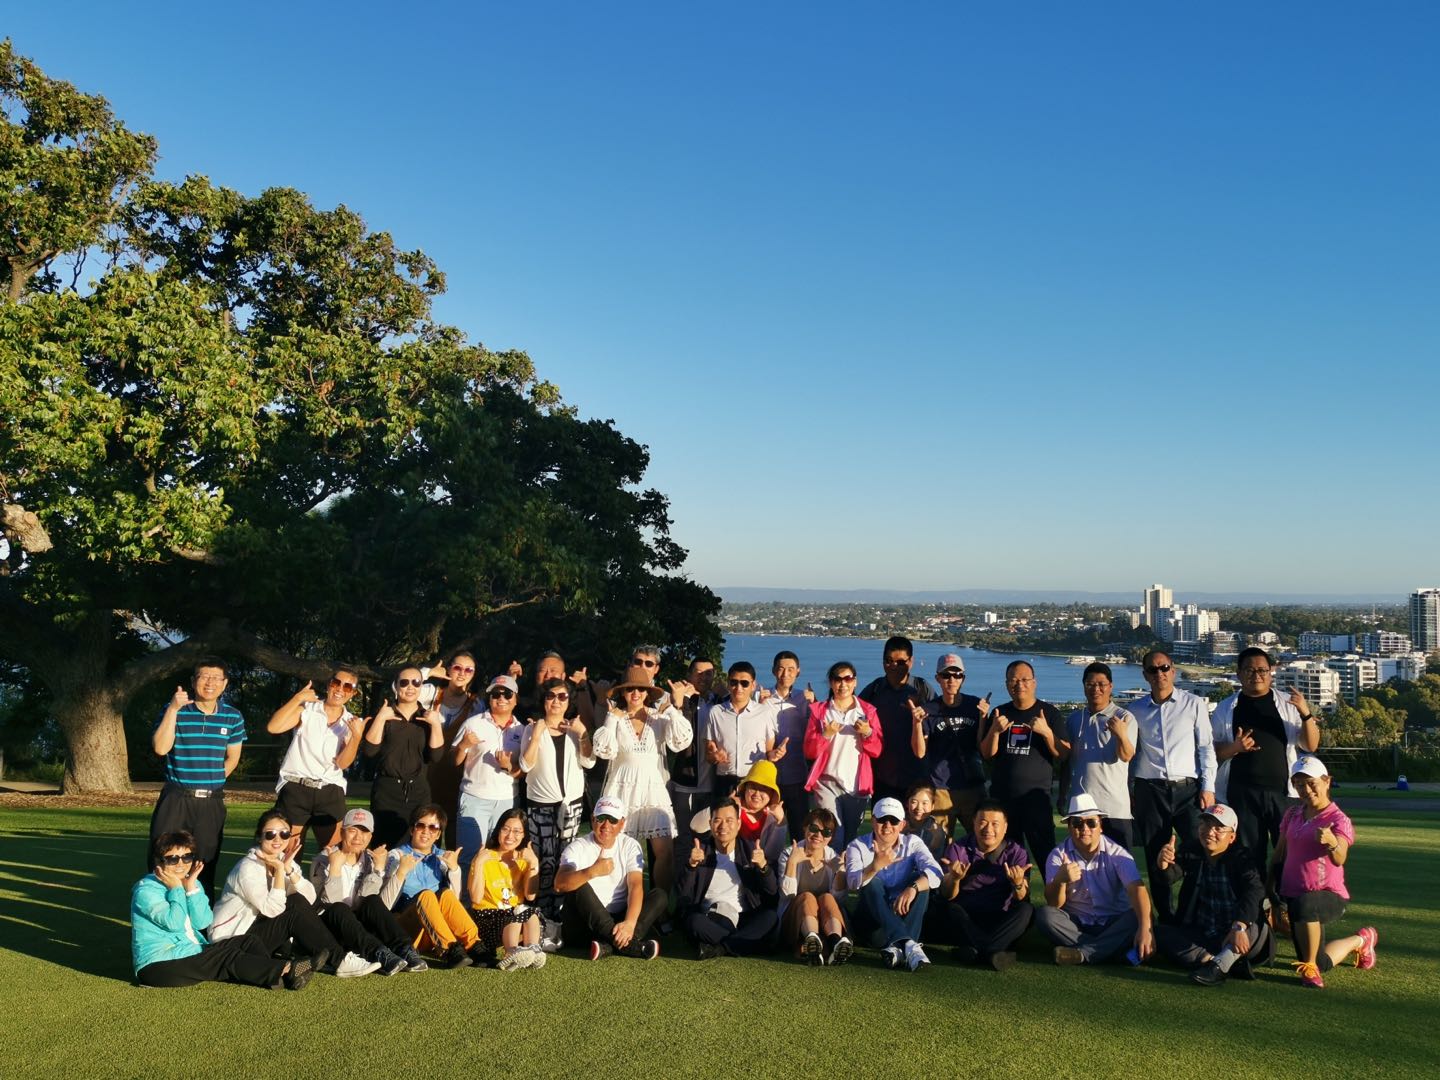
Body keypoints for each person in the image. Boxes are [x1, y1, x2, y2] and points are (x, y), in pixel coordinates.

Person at [132, 830, 312, 990]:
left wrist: (191, 889)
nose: (181, 864)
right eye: (173, 859)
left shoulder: (190, 882)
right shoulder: (146, 891)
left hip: (190, 951)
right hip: (158, 966)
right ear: (159, 861)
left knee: (248, 941)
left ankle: (276, 977)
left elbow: (202, 922)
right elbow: (174, 923)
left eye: (186, 857)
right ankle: (286, 970)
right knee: (226, 956)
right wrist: (177, 890)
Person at [209, 810, 380, 977]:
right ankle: (339, 960)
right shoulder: (247, 868)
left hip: (257, 934)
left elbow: (309, 898)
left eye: (284, 834)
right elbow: (272, 909)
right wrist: (279, 871)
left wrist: (289, 870)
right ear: (259, 837)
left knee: (297, 900)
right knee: (293, 912)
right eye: (270, 834)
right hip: (231, 942)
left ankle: (328, 957)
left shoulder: (283, 860)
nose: (277, 839)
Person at [1269, 756, 1377, 989]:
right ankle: (1361, 939)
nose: (1306, 790)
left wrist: (1331, 842)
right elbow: (1279, 853)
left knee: (1305, 906)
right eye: (1299, 785)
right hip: (1294, 896)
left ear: (1327, 781)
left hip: (1328, 896)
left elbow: (1340, 858)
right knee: (1322, 961)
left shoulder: (1338, 819)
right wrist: (1269, 886)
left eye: (1311, 783)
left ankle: (1309, 968)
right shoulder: (1292, 814)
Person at [1212, 648, 1321, 873]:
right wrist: (1235, 748)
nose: (1257, 675)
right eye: (1249, 670)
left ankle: (1285, 896)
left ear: (1271, 672)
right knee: (1249, 859)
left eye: (1262, 670)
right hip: (1242, 794)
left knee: (1290, 856)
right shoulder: (1225, 708)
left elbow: (1310, 745)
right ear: (1238, 673)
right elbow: (1213, 752)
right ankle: (1257, 897)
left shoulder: (1288, 704)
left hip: (1284, 794)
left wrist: (1306, 713)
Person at [1128, 649, 1217, 922]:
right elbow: (1131, 754)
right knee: (1156, 857)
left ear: (1173, 671)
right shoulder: (1135, 710)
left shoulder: (1193, 704)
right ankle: (1166, 919)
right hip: (1150, 790)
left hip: (1188, 790)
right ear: (1145, 675)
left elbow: (1206, 748)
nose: (1160, 673)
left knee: (1198, 851)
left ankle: (1190, 914)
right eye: (1153, 670)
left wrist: (1208, 786)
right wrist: (1130, 791)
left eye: (1164, 667)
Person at [147, 657, 246, 901]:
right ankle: (159, 912)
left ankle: (200, 919)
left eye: (216, 678)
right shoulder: (175, 710)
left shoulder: (232, 716)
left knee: (204, 864)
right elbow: (160, 747)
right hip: (176, 798)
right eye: (204, 677)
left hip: (211, 803)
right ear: (193, 681)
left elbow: (233, 757)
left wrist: (211, 780)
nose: (210, 683)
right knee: (163, 858)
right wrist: (173, 709)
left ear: (225, 684)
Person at [594, 664, 695, 892]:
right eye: (630, 689)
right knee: (616, 851)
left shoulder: (659, 718)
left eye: (641, 689)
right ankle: (620, 901)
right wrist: (610, 719)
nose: (636, 693)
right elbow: (603, 751)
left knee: (665, 853)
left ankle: (660, 904)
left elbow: (681, 741)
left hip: (652, 791)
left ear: (648, 692)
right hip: (621, 791)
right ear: (623, 692)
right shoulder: (616, 719)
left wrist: (672, 710)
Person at [1153, 803, 1271, 987]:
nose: (1209, 832)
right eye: (1205, 825)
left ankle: (1218, 968)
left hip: (1235, 931)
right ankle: (1211, 960)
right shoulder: (1192, 850)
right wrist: (1163, 865)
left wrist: (1239, 926)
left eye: (1218, 828)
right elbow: (1169, 877)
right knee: (1157, 933)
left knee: (1252, 926)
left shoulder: (1242, 858)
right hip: (1203, 933)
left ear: (1232, 837)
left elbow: (1254, 891)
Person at [1038, 794, 1155, 966]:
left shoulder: (1117, 853)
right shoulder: (1057, 856)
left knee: (1139, 917)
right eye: (1077, 823)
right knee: (1045, 916)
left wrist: (1145, 929)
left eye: (1091, 823)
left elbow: (1137, 890)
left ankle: (1082, 953)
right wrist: (1060, 881)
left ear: (1100, 826)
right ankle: (1109, 951)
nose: (1084, 828)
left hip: (1113, 921)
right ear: (1069, 827)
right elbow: (1054, 904)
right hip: (1076, 923)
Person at [310, 807, 429, 973]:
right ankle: (379, 953)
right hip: (334, 927)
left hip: (360, 928)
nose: (358, 837)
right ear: (342, 833)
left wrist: (378, 871)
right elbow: (330, 905)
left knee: (372, 900)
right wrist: (335, 870)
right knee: (340, 908)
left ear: (371, 836)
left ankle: (404, 949)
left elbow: (380, 906)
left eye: (364, 832)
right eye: (352, 830)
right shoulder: (323, 860)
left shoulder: (371, 860)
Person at [520, 676, 596, 933]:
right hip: (540, 804)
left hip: (571, 805)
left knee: (566, 859)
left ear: (568, 701)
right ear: (543, 700)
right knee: (544, 860)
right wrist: (536, 735)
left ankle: (563, 913)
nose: (556, 701)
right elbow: (525, 765)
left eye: (562, 696)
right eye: (551, 696)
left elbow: (589, 762)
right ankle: (541, 916)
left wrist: (582, 733)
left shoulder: (573, 730)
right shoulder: (532, 729)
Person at [266, 669, 367, 857]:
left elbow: (342, 763)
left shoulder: (351, 722)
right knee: (288, 855)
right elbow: (273, 727)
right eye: (336, 683)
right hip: (295, 788)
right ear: (329, 684)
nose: (340, 689)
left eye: (347, 687)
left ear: (353, 693)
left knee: (333, 856)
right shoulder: (306, 709)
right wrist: (298, 698)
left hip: (330, 792)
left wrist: (356, 737)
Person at [555, 795, 666, 960]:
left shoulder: (630, 845)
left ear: (622, 823)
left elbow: (635, 886)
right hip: (584, 924)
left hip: (618, 918)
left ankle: (609, 944)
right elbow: (559, 884)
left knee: (659, 895)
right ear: (593, 819)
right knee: (578, 885)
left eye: (612, 820)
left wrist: (629, 923)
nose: (606, 825)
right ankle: (631, 946)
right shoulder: (577, 847)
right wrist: (591, 871)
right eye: (601, 818)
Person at [930, 799, 1033, 970]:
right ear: (974, 823)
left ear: (1005, 827)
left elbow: (1021, 897)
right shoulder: (958, 848)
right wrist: (954, 879)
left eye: (995, 824)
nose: (988, 829)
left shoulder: (1017, 852)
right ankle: (994, 951)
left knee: (1026, 910)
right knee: (949, 908)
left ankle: (975, 951)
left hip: (1000, 917)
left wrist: (1018, 884)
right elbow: (947, 895)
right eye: (983, 822)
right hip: (966, 916)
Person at [378, 804, 485, 968]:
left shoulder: (442, 857)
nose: (426, 831)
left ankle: (474, 945)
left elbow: (454, 903)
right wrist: (401, 872)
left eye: (433, 827)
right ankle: (449, 949)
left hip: (433, 931)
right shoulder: (397, 856)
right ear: (412, 830)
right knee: (426, 895)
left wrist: (454, 870)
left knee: (446, 894)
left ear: (438, 834)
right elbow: (384, 906)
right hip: (406, 928)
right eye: (420, 825)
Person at [842, 796, 942, 972]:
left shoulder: (913, 842)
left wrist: (913, 888)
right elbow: (852, 883)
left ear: (902, 824)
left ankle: (898, 949)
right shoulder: (857, 846)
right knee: (871, 883)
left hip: (902, 918)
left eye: (894, 821)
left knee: (920, 882)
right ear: (873, 821)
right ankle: (908, 943)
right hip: (873, 926)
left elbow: (936, 872)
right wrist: (874, 867)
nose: (887, 825)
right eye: (882, 819)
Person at [981, 660, 1066, 863]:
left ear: (1034, 683)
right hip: (1003, 801)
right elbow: (986, 753)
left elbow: (1063, 754)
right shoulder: (1000, 713)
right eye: (1013, 680)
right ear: (1006, 684)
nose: (1019, 684)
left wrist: (1046, 732)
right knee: (1008, 862)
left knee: (1047, 860)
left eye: (1025, 679)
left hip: (1037, 802)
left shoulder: (1049, 713)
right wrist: (994, 731)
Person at [677, 801, 779, 958]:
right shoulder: (699, 851)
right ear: (710, 824)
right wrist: (691, 866)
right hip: (709, 917)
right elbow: (682, 894)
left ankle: (720, 948)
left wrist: (763, 867)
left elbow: (772, 892)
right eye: (717, 820)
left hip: (743, 917)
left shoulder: (749, 849)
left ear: (739, 824)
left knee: (770, 917)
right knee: (694, 921)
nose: (723, 826)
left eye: (729, 820)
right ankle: (742, 943)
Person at [452, 674, 525, 882]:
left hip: (507, 800)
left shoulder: (522, 730)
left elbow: (526, 771)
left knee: (502, 856)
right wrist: (464, 745)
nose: (501, 698)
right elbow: (454, 761)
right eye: (495, 694)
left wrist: (508, 766)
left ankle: (496, 898)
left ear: (516, 699)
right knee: (469, 857)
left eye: (507, 694)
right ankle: (465, 900)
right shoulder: (473, 723)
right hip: (475, 798)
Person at [363, 665, 446, 848]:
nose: (410, 687)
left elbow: (436, 756)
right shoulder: (385, 715)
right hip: (386, 791)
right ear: (396, 686)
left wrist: (435, 725)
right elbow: (369, 751)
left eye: (416, 682)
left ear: (421, 686)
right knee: (382, 848)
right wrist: (381, 719)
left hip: (418, 792)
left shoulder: (428, 718)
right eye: (404, 682)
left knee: (420, 846)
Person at [803, 660, 883, 847]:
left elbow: (877, 750)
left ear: (855, 682)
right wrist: (825, 735)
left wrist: (867, 733)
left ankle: (847, 867)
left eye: (848, 679)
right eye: (837, 679)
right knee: (834, 836)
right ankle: (829, 866)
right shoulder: (820, 712)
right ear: (831, 683)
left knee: (851, 839)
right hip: (826, 782)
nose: (843, 684)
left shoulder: (867, 711)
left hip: (856, 786)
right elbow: (809, 751)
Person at [909, 653, 990, 837]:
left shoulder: (975, 706)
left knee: (981, 840)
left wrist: (984, 718)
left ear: (963, 678)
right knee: (939, 844)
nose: (952, 680)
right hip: (940, 789)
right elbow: (920, 752)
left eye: (957, 675)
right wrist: (916, 723)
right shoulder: (929, 710)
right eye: (946, 675)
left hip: (971, 787)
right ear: (938, 678)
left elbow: (982, 747)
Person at [1063, 662, 1137, 850]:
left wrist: (1120, 734)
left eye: (1101, 684)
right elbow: (1066, 759)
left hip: (1114, 809)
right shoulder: (1074, 719)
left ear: (1110, 686)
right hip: (1081, 809)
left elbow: (1126, 756)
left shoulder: (1124, 717)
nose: (1096, 689)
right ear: (1084, 686)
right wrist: (1063, 794)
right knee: (1081, 864)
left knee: (1120, 864)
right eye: (1090, 684)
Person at [859, 635, 935, 802]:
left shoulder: (922, 689)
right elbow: (850, 713)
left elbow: (938, 726)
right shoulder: (874, 690)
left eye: (900, 662)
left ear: (911, 661)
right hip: (882, 778)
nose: (894, 666)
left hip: (917, 778)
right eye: (889, 661)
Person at [468, 807, 544, 970]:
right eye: (506, 829)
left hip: (515, 915)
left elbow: (530, 896)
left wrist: (534, 863)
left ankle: (533, 949)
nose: (510, 836)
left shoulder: (524, 859)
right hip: (487, 919)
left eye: (517, 831)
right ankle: (511, 953)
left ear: (524, 835)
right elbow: (475, 898)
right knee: (515, 915)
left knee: (530, 913)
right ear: (498, 831)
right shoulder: (485, 857)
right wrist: (479, 863)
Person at [777, 808, 850, 965]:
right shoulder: (789, 854)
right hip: (794, 923)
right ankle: (812, 939)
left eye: (826, 832)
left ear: (831, 837)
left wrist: (840, 873)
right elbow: (787, 895)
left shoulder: (833, 858)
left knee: (827, 897)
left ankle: (834, 941)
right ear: (805, 828)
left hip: (825, 924)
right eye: (814, 828)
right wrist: (792, 863)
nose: (818, 835)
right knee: (807, 897)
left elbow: (839, 901)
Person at [426, 652, 484, 848]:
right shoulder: (431, 694)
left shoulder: (476, 705)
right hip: (427, 773)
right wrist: (428, 672)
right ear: (449, 669)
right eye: (457, 667)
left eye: (469, 670)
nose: (462, 673)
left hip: (456, 776)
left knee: (454, 841)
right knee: (425, 832)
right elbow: (400, 685)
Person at [704, 661, 780, 802]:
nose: (738, 688)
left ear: (753, 685)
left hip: (754, 781)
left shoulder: (764, 712)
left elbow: (769, 751)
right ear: (728, 684)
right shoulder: (716, 712)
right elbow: (708, 751)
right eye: (734, 682)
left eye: (744, 683)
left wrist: (775, 754)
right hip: (724, 781)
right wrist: (714, 756)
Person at [669, 657, 721, 852]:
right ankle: (680, 870)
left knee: (707, 836)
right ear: (689, 675)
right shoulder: (680, 700)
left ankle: (702, 871)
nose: (703, 677)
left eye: (708, 673)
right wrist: (683, 699)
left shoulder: (719, 703)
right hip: (685, 781)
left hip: (711, 783)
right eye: (698, 673)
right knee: (683, 836)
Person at [768, 650, 816, 840]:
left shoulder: (805, 699)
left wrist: (814, 704)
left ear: (798, 672)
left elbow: (817, 730)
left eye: (790, 669)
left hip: (798, 777)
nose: (785, 674)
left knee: (800, 833)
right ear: (773, 671)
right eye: (781, 669)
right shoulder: (762, 699)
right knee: (769, 834)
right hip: (770, 779)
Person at [734, 759, 789, 866]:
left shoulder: (773, 817)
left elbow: (773, 855)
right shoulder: (734, 808)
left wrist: (781, 823)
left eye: (764, 789)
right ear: (745, 788)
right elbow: (699, 827)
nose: (757, 794)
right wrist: (727, 805)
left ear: (772, 794)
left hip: (762, 869)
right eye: (753, 787)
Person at [903, 781, 949, 859]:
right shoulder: (897, 825)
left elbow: (936, 859)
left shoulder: (936, 830)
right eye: (914, 802)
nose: (919, 808)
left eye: (924, 803)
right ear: (907, 803)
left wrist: (935, 842)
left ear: (932, 806)